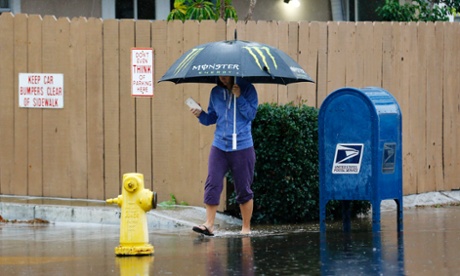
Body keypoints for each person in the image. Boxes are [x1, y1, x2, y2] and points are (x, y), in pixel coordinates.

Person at [190, 76, 258, 236]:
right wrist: (200, 114)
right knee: (212, 182)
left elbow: (251, 115)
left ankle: (246, 228)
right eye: (220, 73)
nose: (222, 77)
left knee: (243, 188)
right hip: (220, 145)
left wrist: (239, 96)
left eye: (226, 73)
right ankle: (209, 225)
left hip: (242, 145)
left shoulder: (248, 89)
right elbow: (211, 118)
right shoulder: (215, 92)